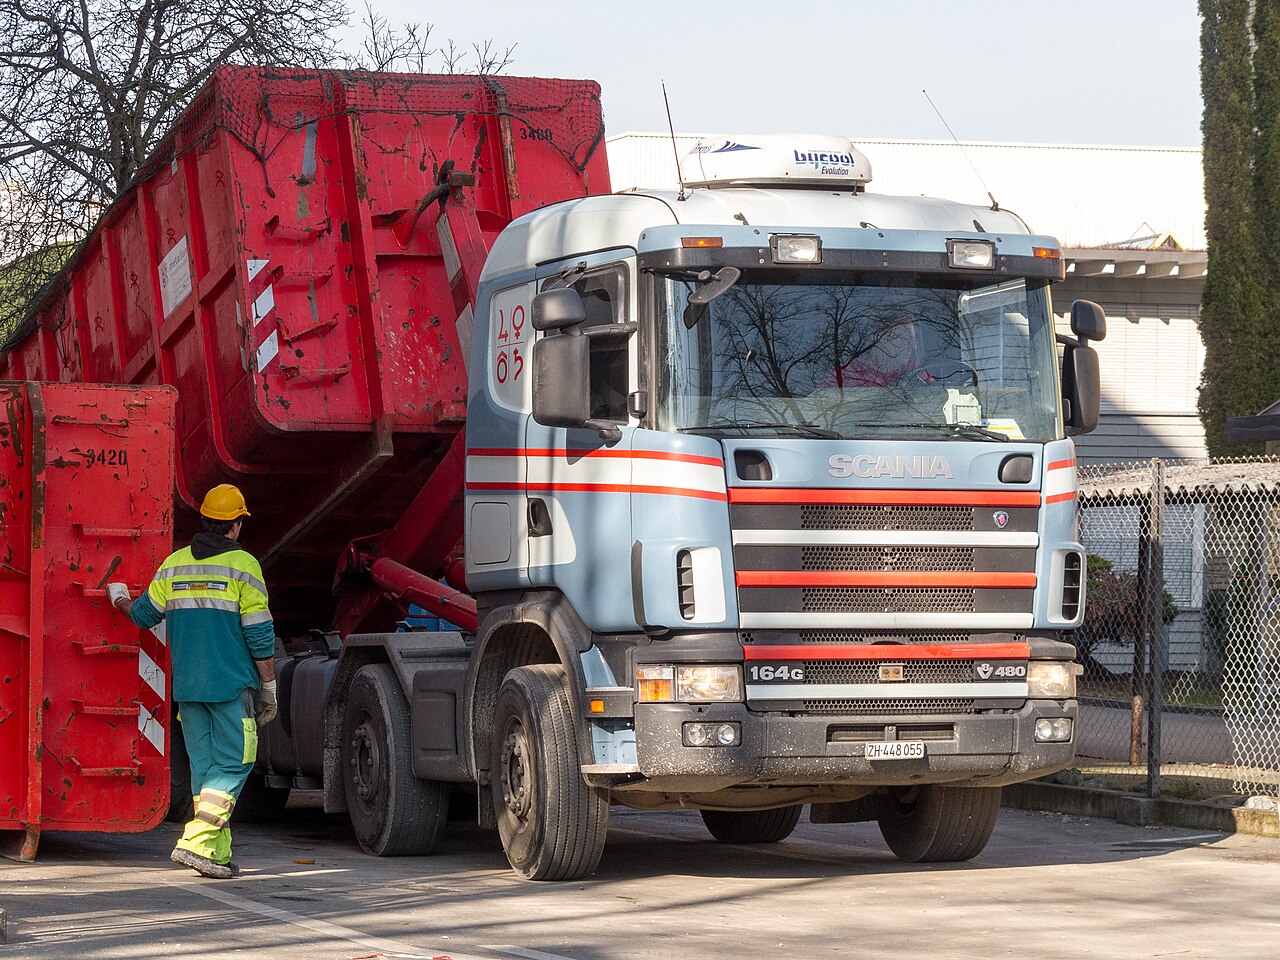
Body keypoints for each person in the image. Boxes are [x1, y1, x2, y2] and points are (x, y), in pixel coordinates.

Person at [106, 483, 277, 880]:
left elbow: (144, 615)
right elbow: (259, 632)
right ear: (235, 525)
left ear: (204, 520)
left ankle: (214, 854)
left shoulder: (174, 564)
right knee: (237, 763)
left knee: (205, 772)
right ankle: (196, 842)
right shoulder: (243, 565)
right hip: (232, 686)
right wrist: (268, 684)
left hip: (189, 689)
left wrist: (118, 599)